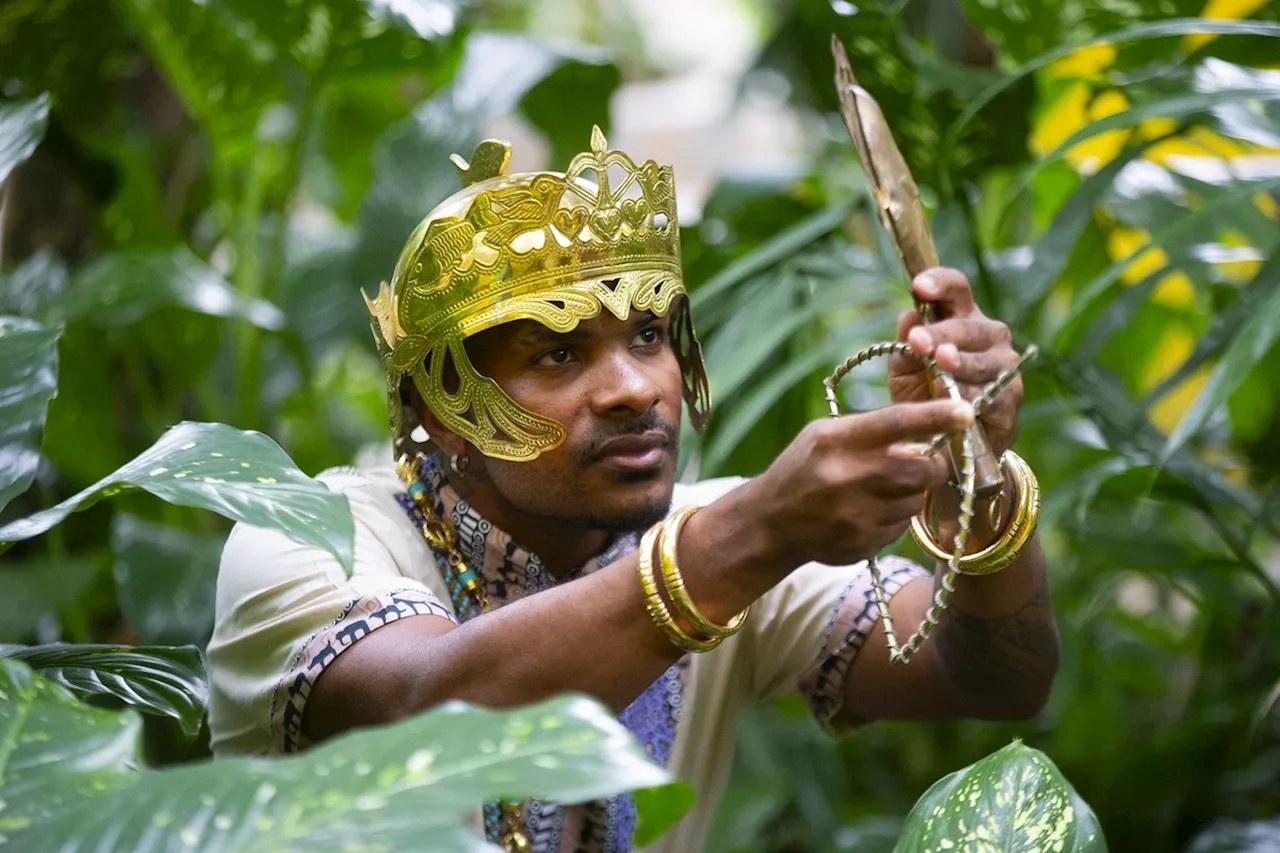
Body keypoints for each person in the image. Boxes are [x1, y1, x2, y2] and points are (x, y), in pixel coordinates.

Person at [207, 128, 1059, 853]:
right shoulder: (306, 536)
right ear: (445, 408)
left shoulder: (711, 537)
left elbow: (990, 679)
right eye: (558, 353)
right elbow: (428, 710)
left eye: (649, 333)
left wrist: (972, 473)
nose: (633, 388)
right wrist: (754, 533)